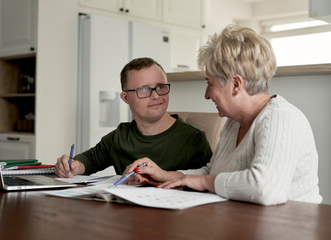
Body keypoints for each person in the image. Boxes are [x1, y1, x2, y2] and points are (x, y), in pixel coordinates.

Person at [124, 25, 322, 205]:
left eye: (210, 83)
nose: (207, 94)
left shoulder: (282, 118)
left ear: (236, 84)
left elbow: (265, 189)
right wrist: (166, 175)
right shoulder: (233, 123)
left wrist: (202, 181)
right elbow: (213, 173)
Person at [55, 57, 212, 178]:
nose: (156, 95)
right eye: (144, 90)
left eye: (160, 87)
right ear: (125, 98)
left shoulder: (194, 140)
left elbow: (206, 182)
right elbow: (89, 160)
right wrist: (72, 166)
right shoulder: (120, 137)